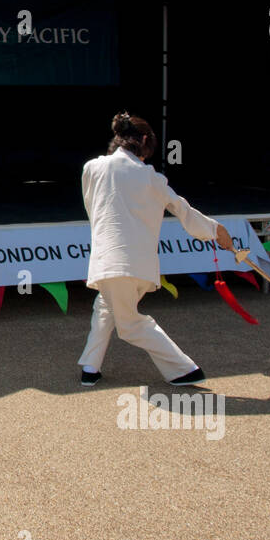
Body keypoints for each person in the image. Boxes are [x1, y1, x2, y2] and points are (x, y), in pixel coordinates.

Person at [78, 113, 233, 387]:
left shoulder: (92, 168)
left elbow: (95, 210)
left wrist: (216, 232)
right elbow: (182, 209)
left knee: (125, 319)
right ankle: (93, 367)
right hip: (133, 264)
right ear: (146, 141)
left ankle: (183, 370)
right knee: (112, 311)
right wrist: (216, 231)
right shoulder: (151, 177)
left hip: (108, 260)